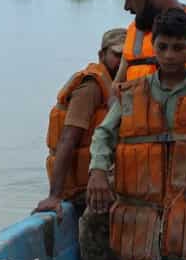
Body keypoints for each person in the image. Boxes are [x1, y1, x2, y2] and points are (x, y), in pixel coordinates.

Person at [84, 8, 186, 260]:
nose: (169, 55)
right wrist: (98, 171)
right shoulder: (130, 94)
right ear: (153, 46)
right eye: (163, 47)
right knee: (92, 219)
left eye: (178, 48)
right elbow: (103, 134)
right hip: (139, 210)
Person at [34, 28, 125, 217]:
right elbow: (68, 139)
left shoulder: (120, 86)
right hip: (83, 190)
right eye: (117, 55)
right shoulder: (91, 88)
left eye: (126, 57)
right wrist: (54, 195)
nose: (121, 62)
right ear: (102, 55)